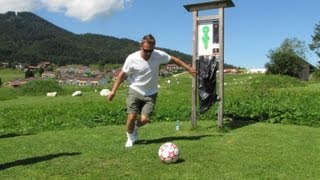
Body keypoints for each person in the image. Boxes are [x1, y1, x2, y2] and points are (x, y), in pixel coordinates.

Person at [107, 34, 196, 148]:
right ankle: (130, 137)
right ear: (140, 46)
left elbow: (175, 59)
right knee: (132, 116)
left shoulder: (158, 55)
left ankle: (134, 127)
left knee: (145, 119)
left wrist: (189, 68)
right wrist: (113, 91)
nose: (148, 53)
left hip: (151, 93)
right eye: (146, 50)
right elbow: (121, 75)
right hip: (135, 90)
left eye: (151, 50)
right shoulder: (132, 58)